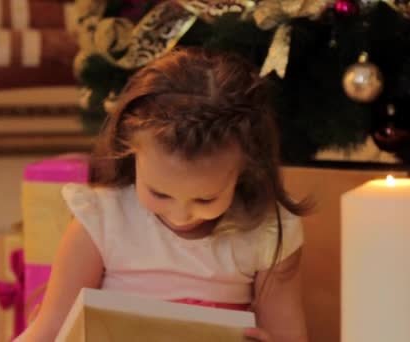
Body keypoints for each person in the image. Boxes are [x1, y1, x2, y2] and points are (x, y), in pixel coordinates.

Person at [17, 47, 311, 341]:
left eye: (205, 199)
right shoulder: (102, 220)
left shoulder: (267, 233)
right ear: (130, 152)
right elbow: (49, 329)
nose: (180, 215)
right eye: (159, 193)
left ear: (247, 169)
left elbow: (288, 335)